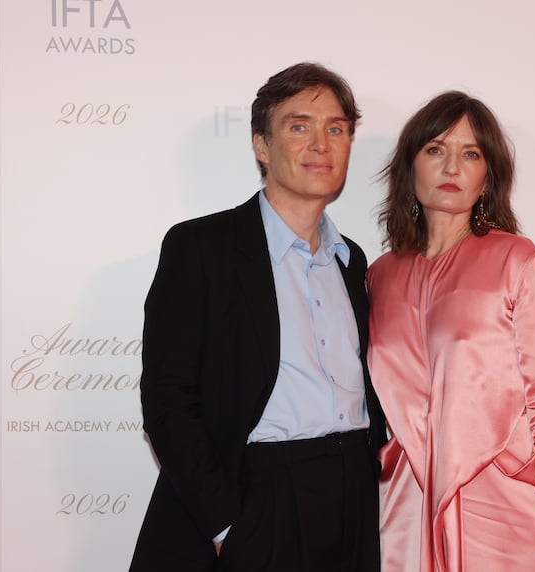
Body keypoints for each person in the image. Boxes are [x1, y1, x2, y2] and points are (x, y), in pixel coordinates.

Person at [129, 62, 386, 572]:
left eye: (336, 128)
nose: (321, 143)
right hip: (258, 496)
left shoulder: (353, 260)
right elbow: (167, 398)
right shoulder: (202, 248)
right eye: (299, 126)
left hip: (352, 492)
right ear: (261, 147)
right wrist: (226, 524)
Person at [367, 91, 535, 572]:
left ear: (487, 179)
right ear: (411, 168)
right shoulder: (379, 276)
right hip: (403, 509)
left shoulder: (517, 262)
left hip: (500, 508)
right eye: (435, 150)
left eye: (470, 154)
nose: (452, 167)